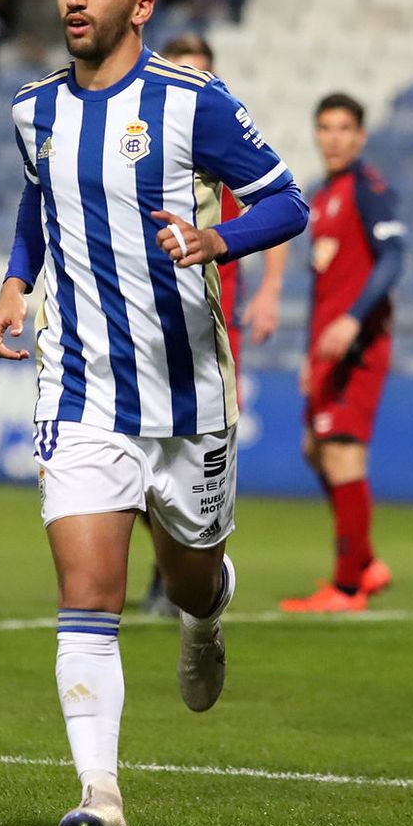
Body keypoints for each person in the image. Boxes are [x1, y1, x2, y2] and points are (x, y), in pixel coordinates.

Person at [0, 0, 308, 826]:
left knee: (190, 575)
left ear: (141, 1)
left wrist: (218, 238)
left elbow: (290, 200)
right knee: (89, 590)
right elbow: (39, 202)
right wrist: (17, 278)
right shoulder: (33, 110)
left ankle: (208, 616)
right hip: (81, 389)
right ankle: (102, 795)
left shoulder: (191, 103)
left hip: (189, 396)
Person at [138, 32, 288, 617]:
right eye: (182, 69)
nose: (190, 80)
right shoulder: (144, 137)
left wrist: (271, 287)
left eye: (200, 71)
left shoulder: (217, 129)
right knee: (140, 451)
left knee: (196, 455)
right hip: (144, 321)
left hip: (210, 322)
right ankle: (164, 572)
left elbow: (274, 207)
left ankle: (195, 569)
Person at [279, 93, 404, 612]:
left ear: (361, 136)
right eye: (325, 127)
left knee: (343, 454)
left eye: (344, 128)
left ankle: (348, 587)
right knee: (317, 451)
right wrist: (312, 355)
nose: (333, 138)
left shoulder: (369, 190)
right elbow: (323, 288)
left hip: (358, 346)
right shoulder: (323, 195)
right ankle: (367, 562)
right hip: (326, 351)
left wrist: (354, 319)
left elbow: (394, 256)